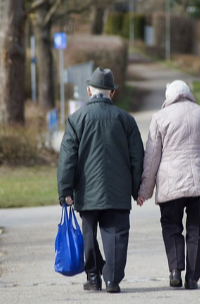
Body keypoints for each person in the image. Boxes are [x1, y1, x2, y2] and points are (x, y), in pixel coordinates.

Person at [57, 67, 144, 293]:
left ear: (88, 91)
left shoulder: (76, 120)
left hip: (86, 191)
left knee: (89, 235)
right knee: (116, 235)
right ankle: (112, 280)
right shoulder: (126, 120)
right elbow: (137, 158)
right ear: (112, 93)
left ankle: (94, 277)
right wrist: (137, 189)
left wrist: (65, 189)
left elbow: (67, 158)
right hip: (118, 190)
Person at [137, 80, 200, 290]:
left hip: (171, 183)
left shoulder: (159, 118)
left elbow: (151, 159)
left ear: (169, 97)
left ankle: (175, 270)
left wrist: (144, 191)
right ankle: (192, 278)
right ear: (188, 94)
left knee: (171, 226)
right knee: (197, 229)